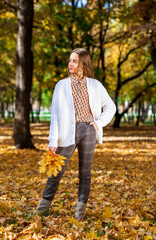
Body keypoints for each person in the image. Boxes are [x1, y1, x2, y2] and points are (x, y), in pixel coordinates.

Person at [36, 48, 116, 221]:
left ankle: (80, 213)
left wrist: (99, 123)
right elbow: (55, 115)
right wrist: (52, 140)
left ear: (83, 64)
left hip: (88, 131)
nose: (71, 64)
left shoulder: (95, 85)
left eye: (75, 61)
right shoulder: (61, 85)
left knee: (85, 173)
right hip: (67, 132)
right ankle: (42, 210)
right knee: (56, 172)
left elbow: (111, 106)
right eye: (70, 61)